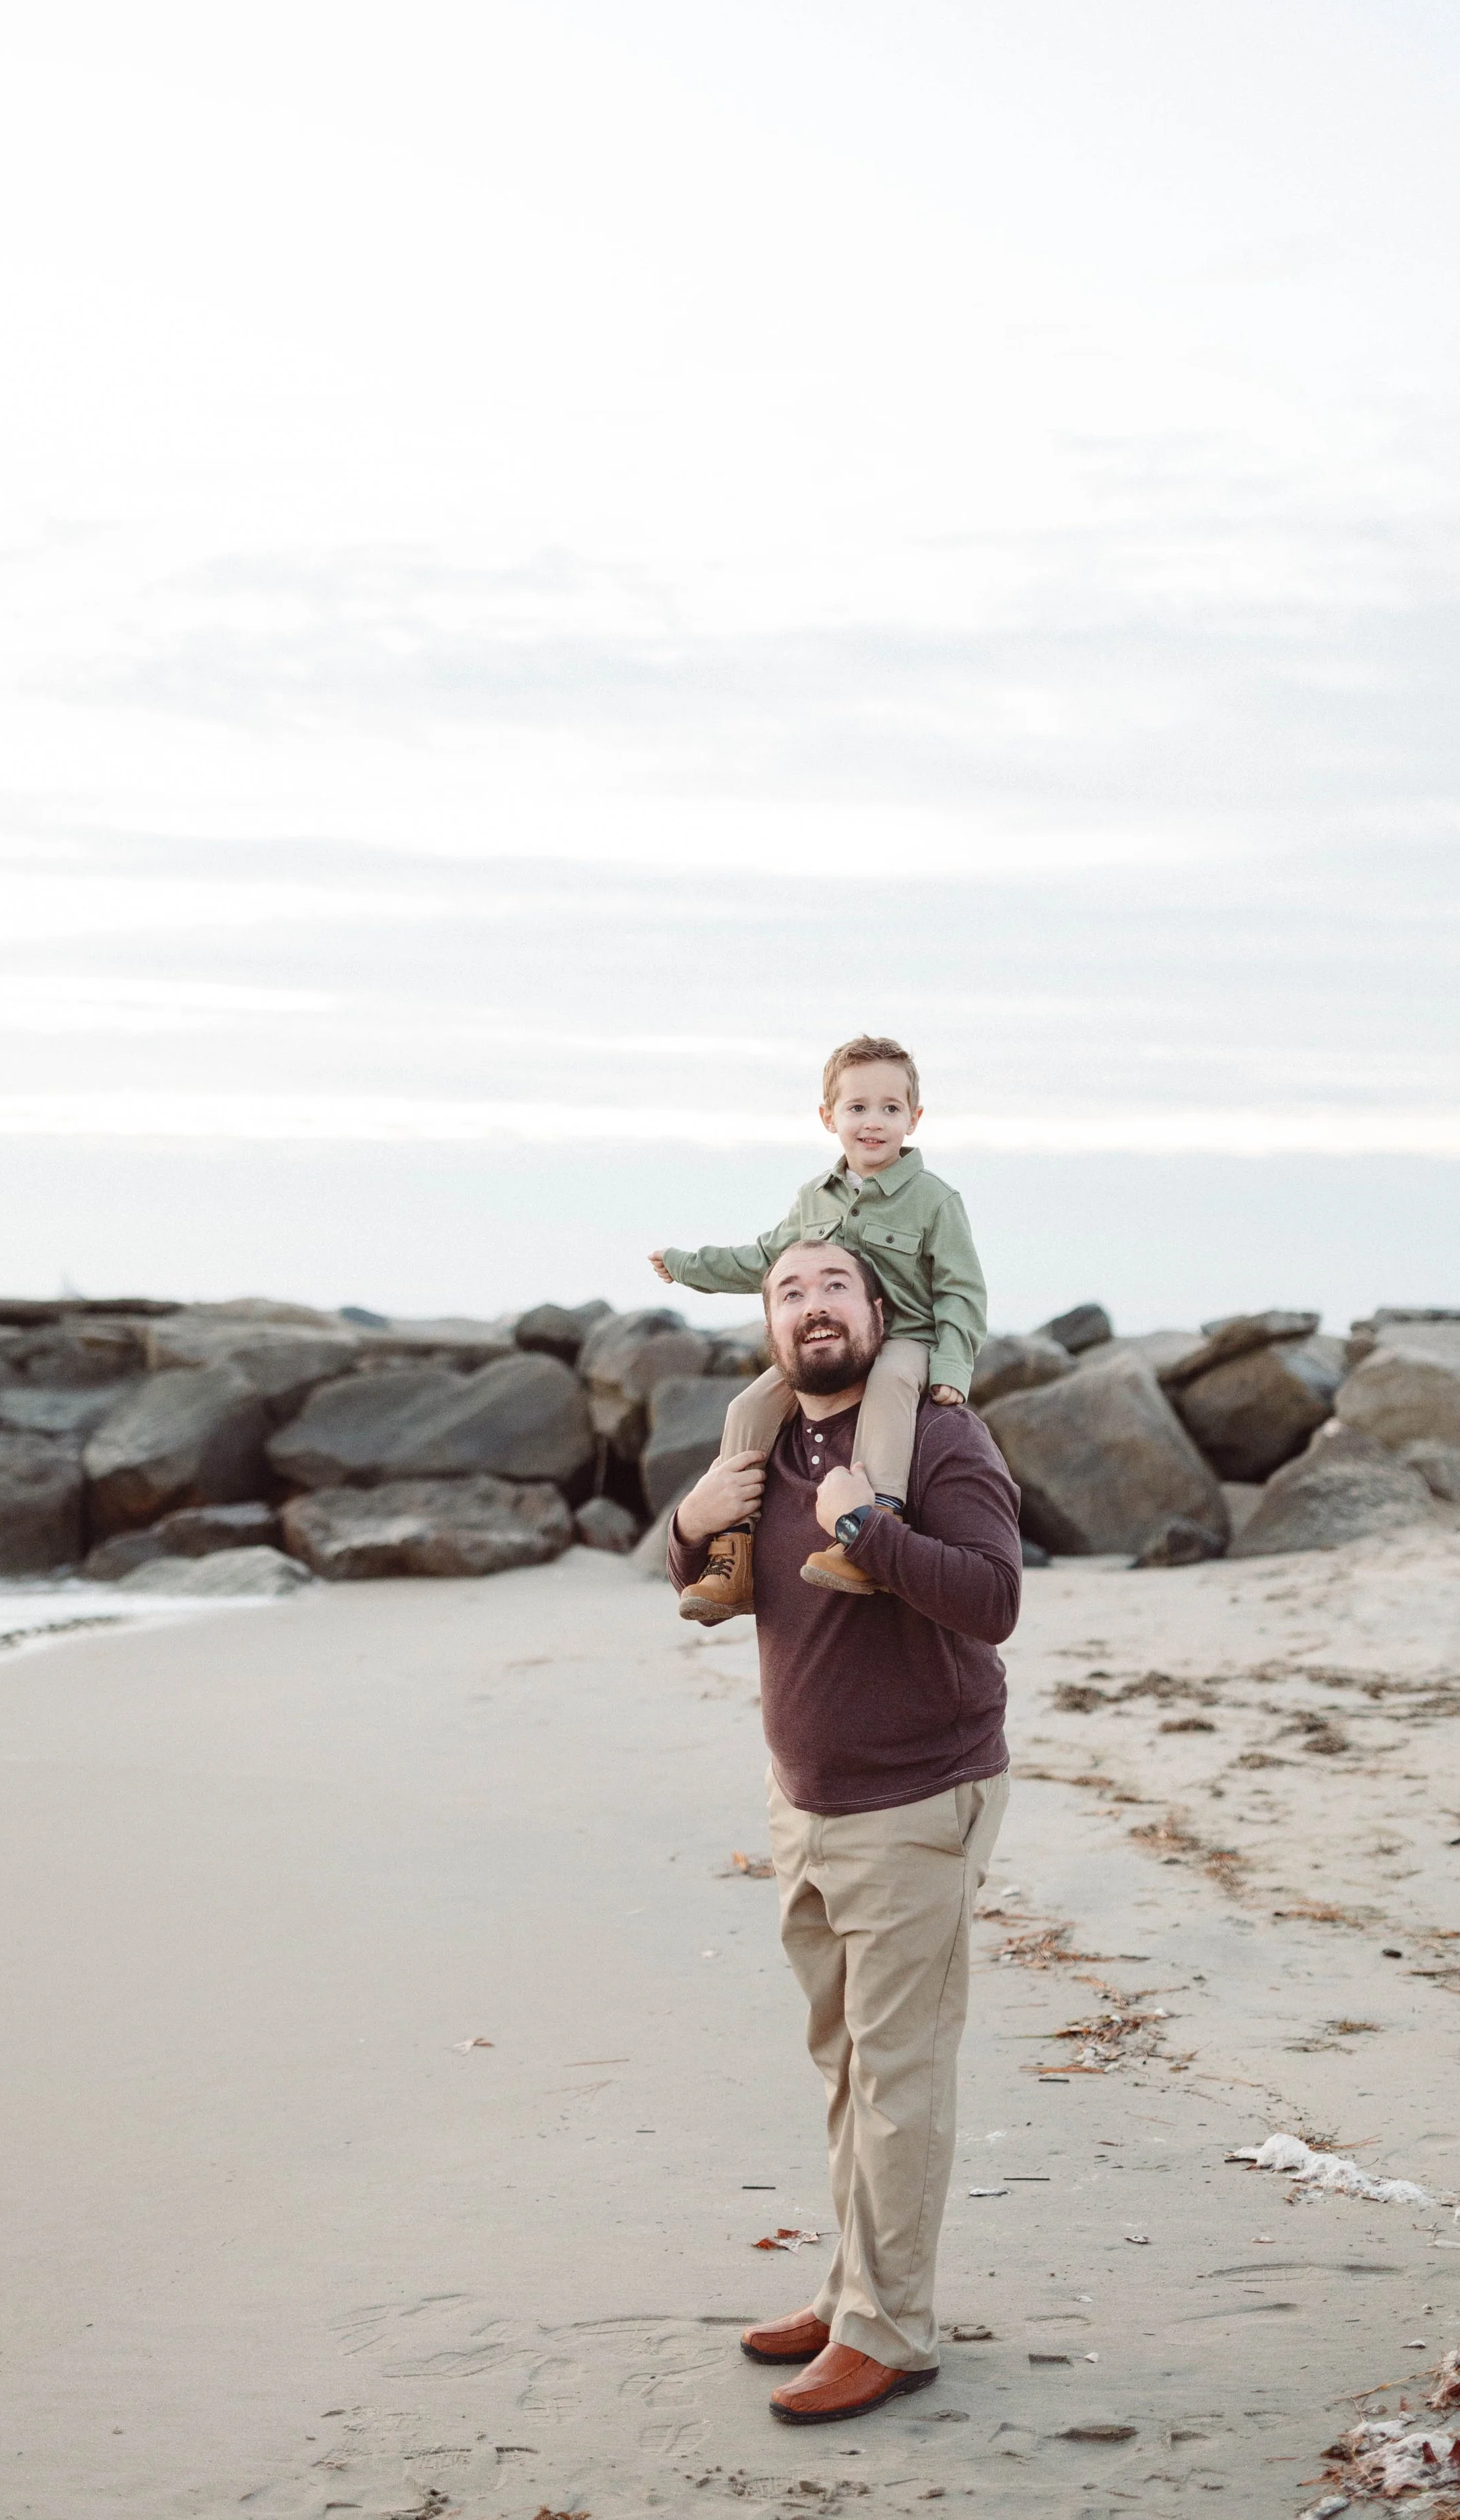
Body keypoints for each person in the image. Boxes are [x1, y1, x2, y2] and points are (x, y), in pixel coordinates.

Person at [668, 1237, 1018, 2426]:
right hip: (805, 1801)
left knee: (900, 2077)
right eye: (789, 1291)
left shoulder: (938, 1438)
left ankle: (891, 2331)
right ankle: (851, 2289)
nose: (812, 1307)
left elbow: (993, 1597)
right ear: (767, 1324)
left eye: (835, 1288)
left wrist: (870, 1528)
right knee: (849, 2067)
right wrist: (687, 1518)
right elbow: (717, 1582)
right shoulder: (761, 1442)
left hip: (917, 1798)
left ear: (878, 1312)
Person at [649, 1034, 987, 1620]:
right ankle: (735, 1553)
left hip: (906, 1339)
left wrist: (953, 1367)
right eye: (857, 1108)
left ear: (915, 1117)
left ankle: (874, 1523)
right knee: (746, 1408)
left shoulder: (935, 1200)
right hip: (829, 1345)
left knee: (889, 1385)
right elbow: (764, 1261)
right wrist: (686, 1267)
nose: (873, 1122)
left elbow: (962, 1290)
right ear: (830, 1117)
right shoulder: (814, 1198)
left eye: (890, 1108)